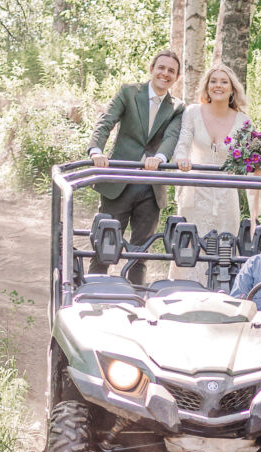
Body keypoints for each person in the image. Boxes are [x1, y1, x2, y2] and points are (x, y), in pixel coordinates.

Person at [87, 49, 185, 285]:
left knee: (140, 253)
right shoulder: (129, 93)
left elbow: (171, 137)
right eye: (161, 68)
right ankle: (92, 297)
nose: (165, 73)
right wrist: (96, 150)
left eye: (171, 71)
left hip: (150, 189)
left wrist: (160, 157)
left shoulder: (177, 107)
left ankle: (136, 302)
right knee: (105, 245)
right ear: (151, 69)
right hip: (118, 182)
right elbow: (106, 121)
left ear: (177, 77)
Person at [169, 63, 261, 283]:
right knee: (190, 242)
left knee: (225, 244)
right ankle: (185, 289)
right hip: (196, 190)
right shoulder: (192, 112)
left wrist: (259, 165)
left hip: (226, 195)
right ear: (207, 87)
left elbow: (250, 158)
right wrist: (181, 159)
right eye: (213, 81)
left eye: (224, 82)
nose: (218, 85)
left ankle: (222, 290)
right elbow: (183, 142)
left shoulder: (243, 121)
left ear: (232, 89)